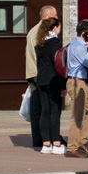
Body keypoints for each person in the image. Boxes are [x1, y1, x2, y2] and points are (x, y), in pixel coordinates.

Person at [65, 20, 88, 158]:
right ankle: (72, 148)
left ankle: (81, 141)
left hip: (84, 83)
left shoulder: (82, 45)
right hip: (76, 82)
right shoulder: (79, 46)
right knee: (77, 116)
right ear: (84, 33)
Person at [24, 4, 57, 150]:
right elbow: (44, 56)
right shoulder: (42, 31)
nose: (57, 19)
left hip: (32, 73)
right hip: (42, 74)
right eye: (55, 16)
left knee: (37, 109)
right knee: (48, 108)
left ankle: (38, 139)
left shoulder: (32, 30)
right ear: (49, 16)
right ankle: (48, 138)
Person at [33, 18, 65, 154]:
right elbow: (59, 64)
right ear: (55, 28)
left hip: (41, 80)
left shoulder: (40, 43)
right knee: (55, 112)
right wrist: (63, 84)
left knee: (45, 111)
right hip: (53, 81)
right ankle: (56, 144)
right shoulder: (55, 43)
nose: (60, 30)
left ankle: (46, 144)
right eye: (59, 27)